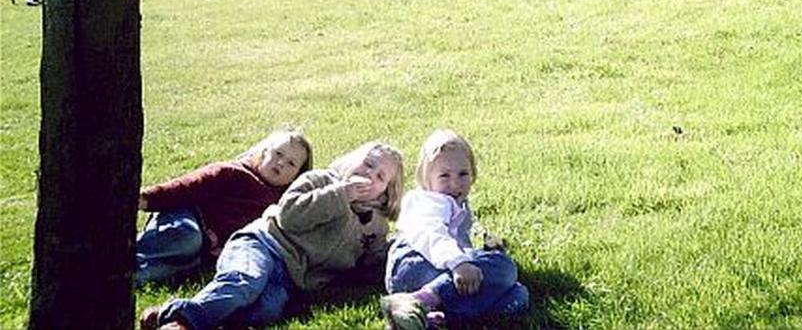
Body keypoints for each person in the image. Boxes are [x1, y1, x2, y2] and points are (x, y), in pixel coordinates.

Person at [141, 139, 403, 330]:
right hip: (263, 244)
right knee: (245, 282)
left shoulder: (375, 226)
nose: (370, 174)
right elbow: (289, 216)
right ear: (352, 159)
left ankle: (169, 312)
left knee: (265, 310)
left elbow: (370, 263)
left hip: (290, 277)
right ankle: (184, 322)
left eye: (380, 176)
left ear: (385, 193)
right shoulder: (321, 181)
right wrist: (341, 195)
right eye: (368, 164)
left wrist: (390, 255)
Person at [380, 129, 529, 330]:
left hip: (437, 267)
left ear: (473, 174)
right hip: (413, 263)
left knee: (518, 296)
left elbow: (460, 242)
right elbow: (432, 234)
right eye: (444, 175)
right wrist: (459, 263)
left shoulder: (456, 202)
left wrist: (481, 253)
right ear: (427, 178)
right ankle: (420, 300)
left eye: (463, 174)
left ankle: (429, 320)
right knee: (504, 267)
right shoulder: (429, 201)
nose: (455, 183)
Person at [136, 127, 313, 286]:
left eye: (291, 163)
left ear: (296, 176)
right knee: (187, 240)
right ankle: (129, 253)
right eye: (278, 154)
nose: (281, 163)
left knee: (178, 267)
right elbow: (187, 186)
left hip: (205, 251)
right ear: (264, 151)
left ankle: (127, 275)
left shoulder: (283, 204)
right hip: (186, 217)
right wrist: (147, 198)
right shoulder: (234, 172)